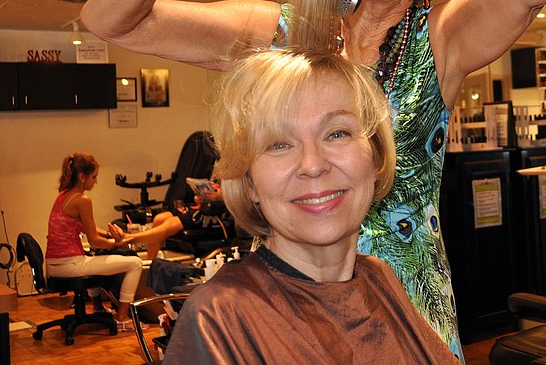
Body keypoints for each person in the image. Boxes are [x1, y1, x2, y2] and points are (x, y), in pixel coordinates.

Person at [81, 0, 546, 355]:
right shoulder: (276, 32)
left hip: (406, 312)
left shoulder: (442, 41)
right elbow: (109, 21)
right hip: (289, 302)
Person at [163, 49, 459, 363]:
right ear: (249, 183)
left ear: (375, 157)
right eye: (279, 144)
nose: (313, 165)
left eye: (337, 133)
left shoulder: (378, 277)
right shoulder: (219, 317)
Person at [44, 153, 145, 331]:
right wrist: (117, 243)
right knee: (135, 263)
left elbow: (85, 228)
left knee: (94, 258)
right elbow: (94, 241)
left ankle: (98, 309)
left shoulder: (63, 196)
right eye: (94, 177)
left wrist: (108, 234)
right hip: (69, 264)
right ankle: (122, 318)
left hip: (55, 263)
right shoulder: (82, 200)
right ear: (82, 176)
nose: (96, 181)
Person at [113, 181, 230, 259]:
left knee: (171, 223)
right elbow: (198, 197)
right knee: (159, 218)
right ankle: (150, 260)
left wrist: (221, 197)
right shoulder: (219, 175)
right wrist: (199, 197)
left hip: (218, 213)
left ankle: (130, 238)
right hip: (202, 207)